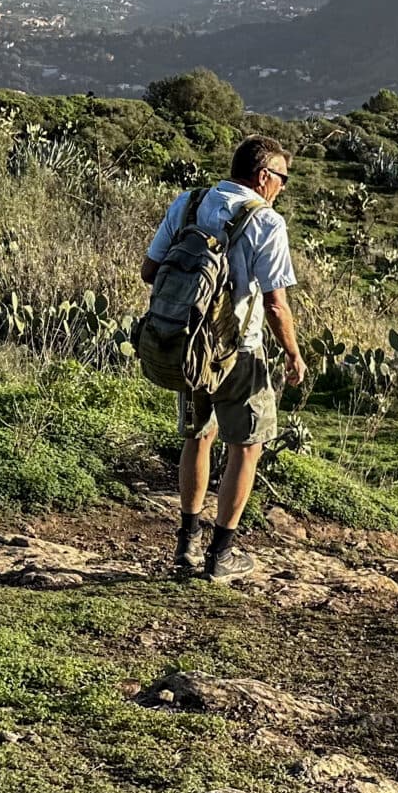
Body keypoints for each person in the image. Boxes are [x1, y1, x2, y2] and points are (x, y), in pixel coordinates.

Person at [141, 135, 308, 580]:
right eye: (282, 179)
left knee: (197, 438)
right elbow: (276, 304)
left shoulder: (189, 203)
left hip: (188, 347)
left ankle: (187, 543)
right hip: (240, 352)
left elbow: (149, 271)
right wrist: (293, 354)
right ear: (262, 176)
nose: (283, 188)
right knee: (247, 447)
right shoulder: (266, 222)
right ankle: (222, 554)